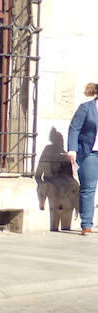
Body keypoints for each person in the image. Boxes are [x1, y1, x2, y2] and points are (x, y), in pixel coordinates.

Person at [66, 82, 98, 235]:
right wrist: (72, 149)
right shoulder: (86, 108)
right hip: (90, 153)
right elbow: (74, 128)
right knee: (88, 188)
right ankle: (86, 225)